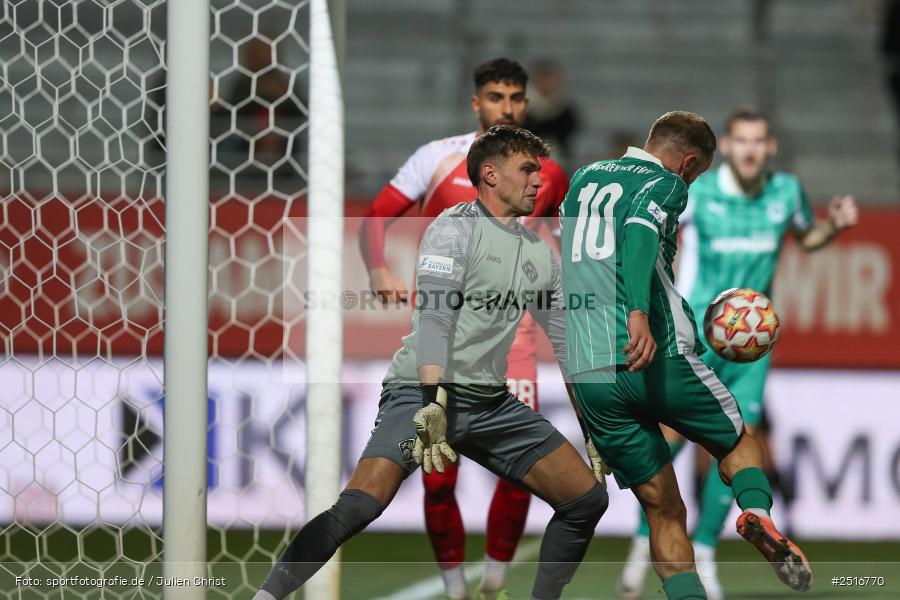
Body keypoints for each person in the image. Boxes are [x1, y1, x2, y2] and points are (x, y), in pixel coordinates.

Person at [253, 126, 608, 600]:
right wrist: (432, 402)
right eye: (526, 170)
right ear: (490, 174)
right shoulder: (453, 229)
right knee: (360, 507)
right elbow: (436, 318)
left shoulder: (539, 255)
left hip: (489, 403)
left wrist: (593, 427)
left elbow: (567, 347)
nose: (538, 182)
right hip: (419, 393)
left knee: (585, 499)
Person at [560, 111, 813, 600]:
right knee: (739, 444)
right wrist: (636, 313)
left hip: (588, 365)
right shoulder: (667, 183)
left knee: (663, 511)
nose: (692, 182)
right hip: (652, 353)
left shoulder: (584, 180)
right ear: (689, 163)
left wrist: (584, 413)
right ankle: (758, 516)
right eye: (696, 174)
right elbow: (639, 235)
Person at [617, 107, 857, 599]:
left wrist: (831, 226)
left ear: (769, 148)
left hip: (750, 346)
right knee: (679, 437)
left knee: (739, 437)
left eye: (758, 142)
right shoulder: (696, 192)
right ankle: (648, 537)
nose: (749, 150)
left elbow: (807, 238)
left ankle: (703, 549)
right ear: (725, 147)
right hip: (695, 335)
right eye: (741, 141)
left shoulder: (785, 193)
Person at [358, 57, 570, 600]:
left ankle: (493, 585)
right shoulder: (435, 158)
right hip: (445, 335)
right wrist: (379, 267)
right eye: (496, 97)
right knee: (436, 473)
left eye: (516, 98)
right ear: (477, 103)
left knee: (526, 472)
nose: (507, 107)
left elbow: (558, 243)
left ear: (526, 103)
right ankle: (455, 588)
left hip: (512, 339)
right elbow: (378, 215)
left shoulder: (545, 172)